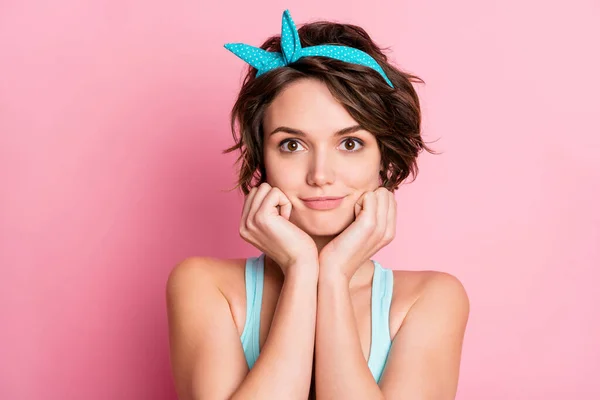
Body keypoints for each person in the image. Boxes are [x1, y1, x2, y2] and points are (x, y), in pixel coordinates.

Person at [166, 9, 470, 400]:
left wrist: (334, 275)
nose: (320, 174)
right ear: (262, 159)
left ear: (385, 157)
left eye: (350, 143)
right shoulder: (204, 286)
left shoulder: (430, 299)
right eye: (292, 145)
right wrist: (301, 269)